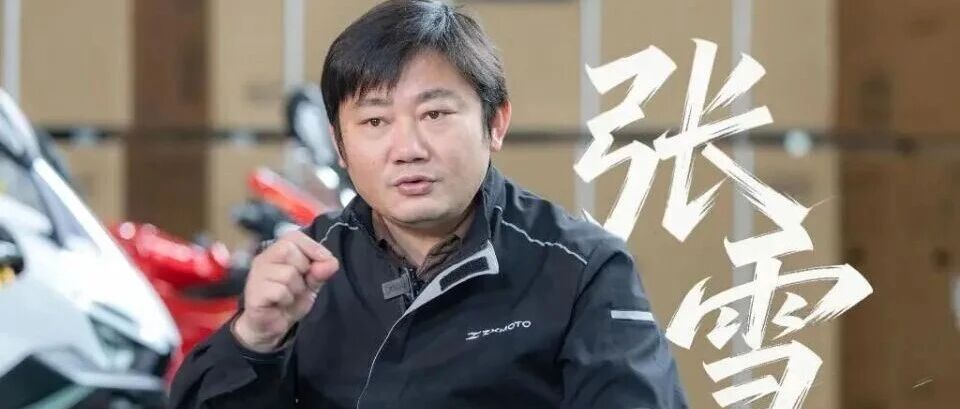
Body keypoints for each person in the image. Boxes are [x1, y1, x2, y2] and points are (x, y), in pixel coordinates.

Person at [169, 1, 688, 408]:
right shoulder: (309, 268)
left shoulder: (582, 269)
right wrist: (254, 340)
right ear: (340, 145)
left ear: (495, 123)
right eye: (375, 121)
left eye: (435, 114)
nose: (408, 148)